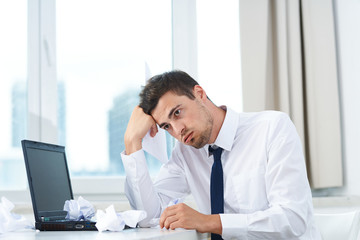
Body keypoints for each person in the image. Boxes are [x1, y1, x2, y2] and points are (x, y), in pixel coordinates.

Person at [121, 70, 321, 239]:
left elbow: (293, 219)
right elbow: (148, 216)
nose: (177, 130)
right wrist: (132, 143)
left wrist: (208, 221)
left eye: (177, 113)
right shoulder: (185, 153)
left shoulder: (272, 127)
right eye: (166, 126)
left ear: (199, 93)